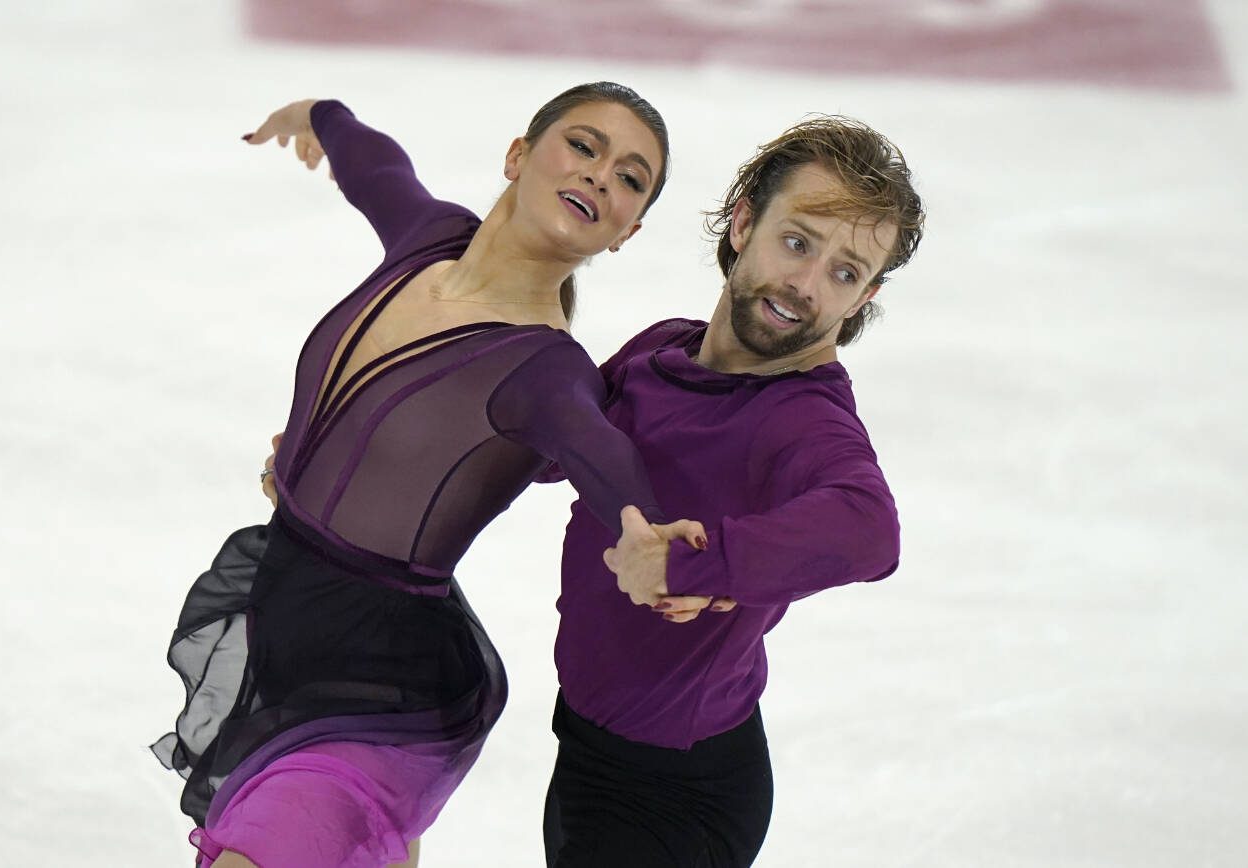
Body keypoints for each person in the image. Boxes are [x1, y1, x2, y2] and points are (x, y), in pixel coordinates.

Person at [152, 83, 706, 868]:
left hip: (387, 694)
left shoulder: (547, 374)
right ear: (518, 156)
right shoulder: (429, 238)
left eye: (629, 178)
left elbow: (615, 477)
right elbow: (377, 166)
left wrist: (663, 549)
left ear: (629, 230)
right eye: (584, 146)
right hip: (288, 634)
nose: (599, 176)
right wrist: (321, 117)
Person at [540, 116, 926, 866]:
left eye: (845, 273)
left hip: (675, 799)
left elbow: (868, 530)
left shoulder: (802, 417)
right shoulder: (660, 351)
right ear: (745, 220)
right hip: (589, 754)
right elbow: (547, 449)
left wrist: (693, 564)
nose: (807, 285)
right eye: (798, 241)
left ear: (864, 297)